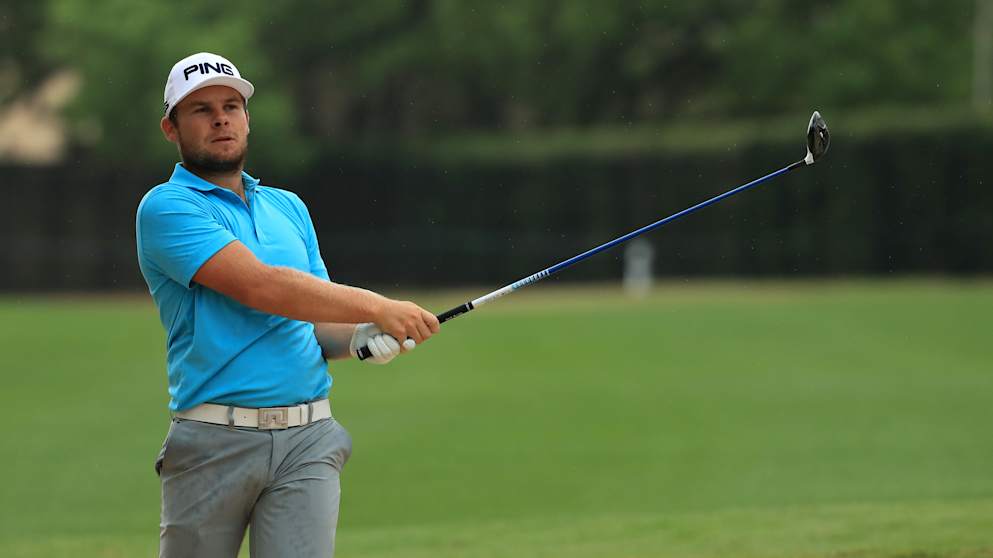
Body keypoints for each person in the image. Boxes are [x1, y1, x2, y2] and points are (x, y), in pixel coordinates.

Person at [135, 52, 440, 558]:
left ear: (247, 119)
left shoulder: (288, 207)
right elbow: (262, 287)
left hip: (309, 439)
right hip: (214, 438)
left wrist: (363, 338)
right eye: (201, 109)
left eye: (231, 105)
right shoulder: (166, 207)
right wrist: (377, 305)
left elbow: (315, 322)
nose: (220, 118)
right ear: (171, 127)